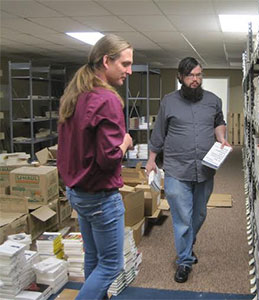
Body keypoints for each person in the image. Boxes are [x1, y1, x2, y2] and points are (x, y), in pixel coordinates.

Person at [57, 34, 133, 300]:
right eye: (124, 64)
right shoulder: (107, 99)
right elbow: (109, 158)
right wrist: (125, 143)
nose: (129, 71)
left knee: (94, 258)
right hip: (99, 195)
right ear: (106, 61)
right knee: (112, 264)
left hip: (77, 191)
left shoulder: (76, 94)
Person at [146, 57, 231, 283]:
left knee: (199, 213)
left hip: (205, 168)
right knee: (182, 217)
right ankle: (184, 261)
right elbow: (159, 132)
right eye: (191, 75)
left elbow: (219, 123)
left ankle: (187, 243)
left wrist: (221, 138)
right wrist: (152, 159)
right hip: (176, 167)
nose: (195, 79)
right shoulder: (169, 102)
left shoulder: (213, 101)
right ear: (181, 77)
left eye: (199, 75)